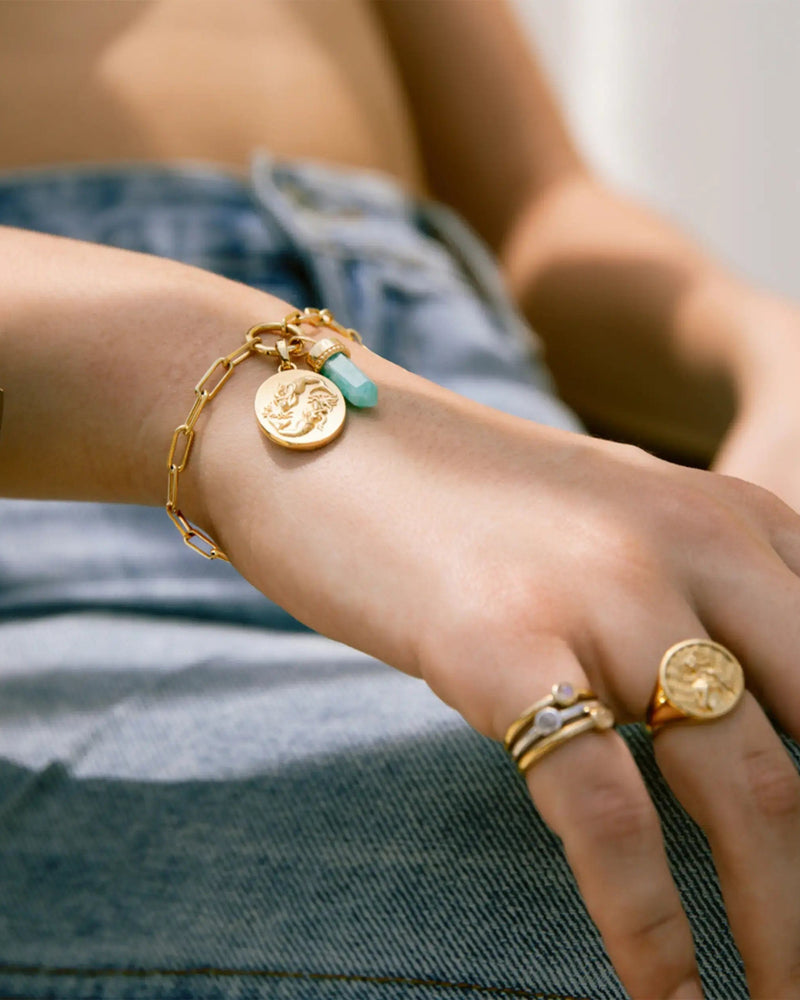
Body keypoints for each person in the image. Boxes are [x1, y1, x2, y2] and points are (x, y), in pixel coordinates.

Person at [1, 2, 799, 998]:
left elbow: (535, 212)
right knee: (702, 885)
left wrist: (768, 353)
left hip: (499, 454)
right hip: (64, 527)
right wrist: (209, 375)